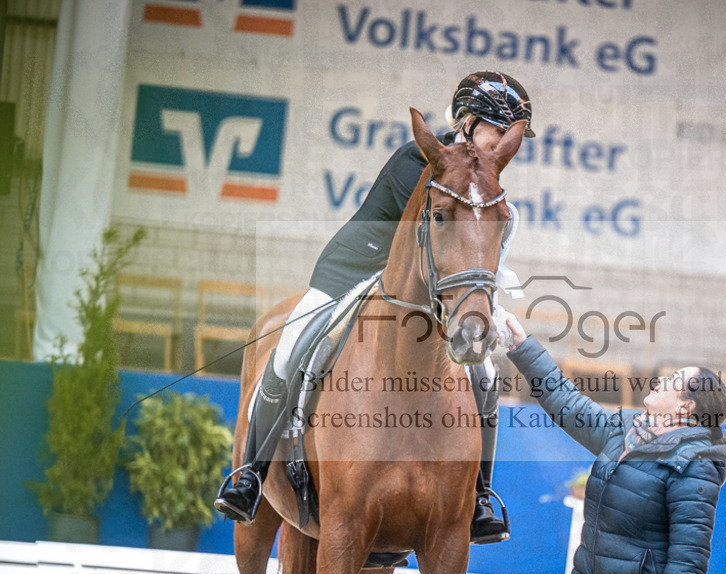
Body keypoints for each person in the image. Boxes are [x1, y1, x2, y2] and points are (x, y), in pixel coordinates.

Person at [215, 71, 536, 545]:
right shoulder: (419, 160)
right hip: (355, 270)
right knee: (285, 352)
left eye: (513, 136)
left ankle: (481, 495)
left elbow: (475, 262)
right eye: (497, 129)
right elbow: (416, 252)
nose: (506, 142)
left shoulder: (487, 190)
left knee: (485, 376)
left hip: (422, 296)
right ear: (467, 123)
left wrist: (493, 305)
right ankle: (251, 473)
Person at [502, 313, 726, 574]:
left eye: (672, 382)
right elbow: (568, 403)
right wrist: (522, 347)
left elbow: (689, 559)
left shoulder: (695, 464)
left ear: (686, 407)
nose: (660, 381)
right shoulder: (624, 431)